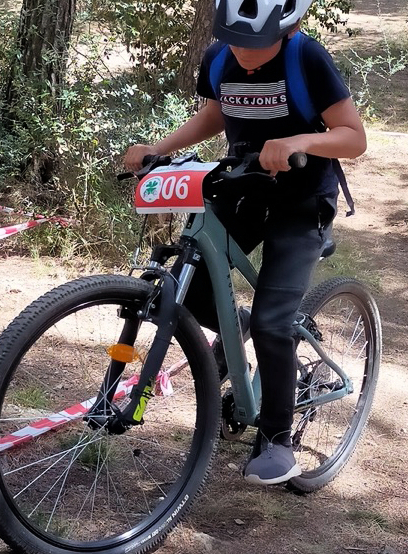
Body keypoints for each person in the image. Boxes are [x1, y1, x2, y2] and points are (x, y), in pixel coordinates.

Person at [123, 0, 367, 485]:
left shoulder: (307, 59)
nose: (246, 53)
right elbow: (215, 112)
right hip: (244, 186)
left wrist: (301, 142)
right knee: (188, 295)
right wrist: (160, 149)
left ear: (289, 27)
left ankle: (278, 439)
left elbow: (353, 137)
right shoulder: (219, 58)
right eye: (237, 41)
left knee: (275, 322)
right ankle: (245, 331)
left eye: (257, 43)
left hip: (302, 202)